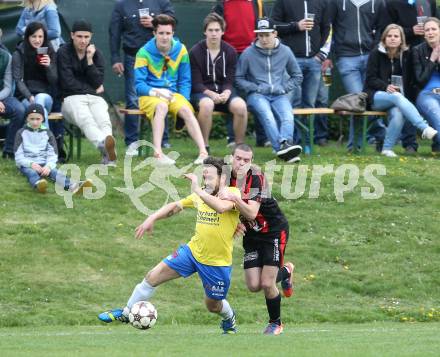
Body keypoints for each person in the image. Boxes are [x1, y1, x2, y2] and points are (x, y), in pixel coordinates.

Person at [98, 157, 241, 334]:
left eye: (210, 177)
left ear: (223, 178)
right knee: (152, 276)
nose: (206, 181)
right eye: (204, 177)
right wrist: (152, 218)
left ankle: (229, 317)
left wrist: (197, 189)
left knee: (213, 305)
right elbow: (175, 206)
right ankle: (127, 312)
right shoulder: (202, 193)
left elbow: (220, 207)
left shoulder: (233, 193)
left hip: (217, 264)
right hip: (192, 252)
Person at [218, 143, 295, 335]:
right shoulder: (225, 175)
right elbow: (219, 203)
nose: (242, 163)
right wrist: (234, 222)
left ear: (251, 162)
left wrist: (235, 200)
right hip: (252, 234)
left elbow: (251, 212)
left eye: (246, 160)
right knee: (254, 286)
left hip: (273, 231)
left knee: (268, 284)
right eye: (238, 158)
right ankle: (285, 272)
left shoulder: (256, 178)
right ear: (231, 158)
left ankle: (276, 323)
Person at [134, 14, 208, 166]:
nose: (165, 37)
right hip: (149, 95)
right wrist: (156, 92)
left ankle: (203, 153)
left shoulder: (181, 50)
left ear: (173, 33)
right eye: (161, 33)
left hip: (173, 95)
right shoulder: (143, 52)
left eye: (168, 33)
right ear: (154, 33)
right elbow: (139, 86)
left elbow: (185, 80)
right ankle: (158, 154)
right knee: (161, 106)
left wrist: (184, 101)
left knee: (187, 110)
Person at [109, 0, 175, 155]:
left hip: (157, 57)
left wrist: (155, 21)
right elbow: (114, 33)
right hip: (132, 56)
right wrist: (115, 58)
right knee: (133, 98)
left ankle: (163, 140)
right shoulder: (121, 4)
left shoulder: (161, 2)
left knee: (161, 95)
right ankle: (132, 143)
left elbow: (173, 20)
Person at [236, 17, 303, 163]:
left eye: (267, 35)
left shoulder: (286, 51)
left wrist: (284, 88)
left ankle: (285, 146)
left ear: (275, 33)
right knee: (267, 116)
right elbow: (239, 79)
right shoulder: (248, 53)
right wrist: (255, 88)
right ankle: (282, 148)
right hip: (257, 95)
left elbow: (297, 76)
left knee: (287, 116)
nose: (264, 39)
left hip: (279, 95)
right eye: (260, 35)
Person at [364, 24, 437, 157]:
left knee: (398, 113)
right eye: (389, 36)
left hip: (397, 98)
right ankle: (423, 127)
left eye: (396, 36)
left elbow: (411, 79)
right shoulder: (376, 53)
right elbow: (370, 79)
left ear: (401, 39)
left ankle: (387, 149)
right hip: (376, 96)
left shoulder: (405, 55)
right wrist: (385, 86)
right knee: (396, 97)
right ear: (384, 38)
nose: (392, 38)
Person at [271, 0, 330, 151]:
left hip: (314, 61)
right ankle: (287, 141)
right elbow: (274, 25)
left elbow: (326, 28)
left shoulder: (322, 2)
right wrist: (296, 26)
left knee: (309, 104)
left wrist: (319, 54)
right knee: (289, 104)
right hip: (290, 61)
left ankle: (306, 143)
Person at [328, 0, 387, 152]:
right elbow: (329, 27)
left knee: (367, 101)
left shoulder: (378, 2)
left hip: (371, 56)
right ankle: (379, 134)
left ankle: (355, 146)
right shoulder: (336, 3)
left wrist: (375, 48)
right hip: (346, 57)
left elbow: (382, 28)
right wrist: (329, 54)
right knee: (359, 101)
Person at [58, 20, 117, 166]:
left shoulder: (96, 54)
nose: (83, 40)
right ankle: (104, 146)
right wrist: (90, 88)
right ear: (72, 35)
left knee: (103, 120)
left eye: (86, 37)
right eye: (79, 36)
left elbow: (98, 81)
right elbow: (67, 82)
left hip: (93, 97)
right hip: (71, 99)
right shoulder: (63, 52)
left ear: (91, 36)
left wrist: (89, 60)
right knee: (86, 119)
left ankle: (108, 155)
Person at [189, 13, 248, 154]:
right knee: (207, 105)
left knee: (241, 106)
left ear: (223, 31)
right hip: (202, 93)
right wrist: (211, 94)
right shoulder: (195, 52)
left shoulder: (230, 51)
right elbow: (196, 83)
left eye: (217, 30)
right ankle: (204, 146)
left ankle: (239, 146)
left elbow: (230, 80)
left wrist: (226, 92)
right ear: (205, 31)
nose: (214, 34)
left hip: (224, 93)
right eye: (210, 30)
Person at [212, 0, 268, 147]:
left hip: (253, 54)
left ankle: (263, 137)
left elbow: (264, 27)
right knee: (231, 95)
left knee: (258, 93)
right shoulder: (222, 3)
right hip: (228, 54)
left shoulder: (258, 3)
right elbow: (214, 27)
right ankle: (232, 138)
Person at [385, 0, 438, 154]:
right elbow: (387, 30)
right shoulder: (392, 3)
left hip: (428, 54)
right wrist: (410, 31)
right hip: (405, 55)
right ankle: (409, 143)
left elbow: (434, 26)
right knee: (407, 96)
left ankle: (437, 143)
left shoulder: (430, 2)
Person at [14, 103, 92, 193]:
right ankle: (38, 184)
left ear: (43, 119)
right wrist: (31, 164)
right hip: (28, 164)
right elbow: (18, 156)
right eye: (32, 119)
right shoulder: (20, 133)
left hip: (45, 163)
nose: (35, 122)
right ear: (27, 118)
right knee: (31, 173)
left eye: (38, 119)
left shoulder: (48, 133)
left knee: (56, 173)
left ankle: (73, 186)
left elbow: (53, 154)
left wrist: (48, 166)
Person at [12, 21, 57, 130]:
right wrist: (29, 96)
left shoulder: (49, 51)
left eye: (40, 36)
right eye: (34, 36)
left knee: (40, 98)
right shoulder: (19, 53)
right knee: (40, 110)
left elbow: (54, 81)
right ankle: (44, 141)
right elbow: (18, 80)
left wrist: (48, 66)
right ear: (27, 37)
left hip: (45, 95)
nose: (37, 40)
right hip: (25, 97)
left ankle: (38, 141)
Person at [413, 17, 440, 154]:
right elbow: (420, 81)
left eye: (434, 29)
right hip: (427, 95)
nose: (430, 32)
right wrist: (432, 59)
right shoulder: (417, 50)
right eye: (427, 30)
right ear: (424, 34)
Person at [0, 29, 26, 160]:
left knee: (19, 110)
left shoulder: (6, 57)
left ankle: (9, 150)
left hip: (3, 97)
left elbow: (8, 87)